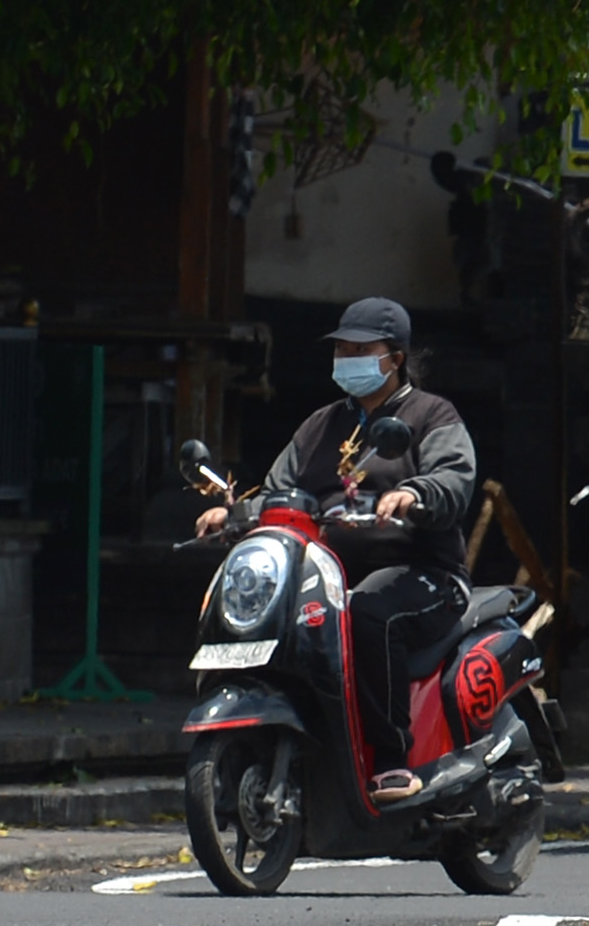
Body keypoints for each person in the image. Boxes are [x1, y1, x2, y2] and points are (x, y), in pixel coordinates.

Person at [195, 297, 478, 802]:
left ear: (394, 357)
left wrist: (414, 494)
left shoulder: (432, 414)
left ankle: (391, 760)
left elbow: (454, 480)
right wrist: (236, 515)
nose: (348, 358)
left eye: (361, 349)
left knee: (370, 614)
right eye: (342, 348)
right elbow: (279, 490)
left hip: (423, 573)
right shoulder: (320, 425)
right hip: (326, 576)